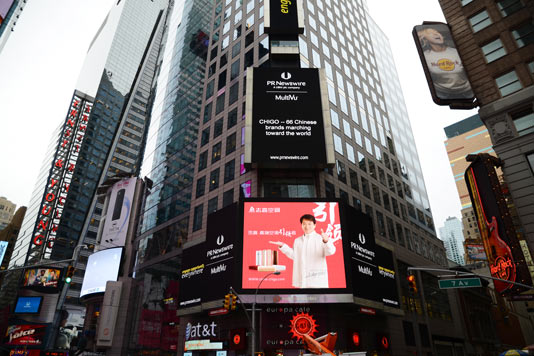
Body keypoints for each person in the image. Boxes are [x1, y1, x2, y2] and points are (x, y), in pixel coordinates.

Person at [269, 214, 335, 288]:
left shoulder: (321, 238)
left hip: (317, 281)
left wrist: (326, 241)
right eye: (304, 224)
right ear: (301, 225)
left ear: (314, 225)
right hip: (302, 280)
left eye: (309, 224)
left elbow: (331, 251)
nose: (306, 227)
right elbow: (295, 256)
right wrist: (283, 246)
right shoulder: (297, 240)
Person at [417, 26, 474, 100]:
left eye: (437, 32)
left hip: (467, 92)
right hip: (443, 94)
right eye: (431, 33)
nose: (436, 34)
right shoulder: (425, 56)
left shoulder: (456, 52)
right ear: (425, 39)